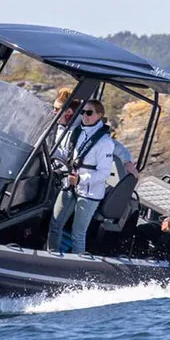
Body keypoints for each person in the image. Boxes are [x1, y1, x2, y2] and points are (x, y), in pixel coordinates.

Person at [47, 99, 115, 254]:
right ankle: (52, 257)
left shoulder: (105, 142)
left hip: (89, 192)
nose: (85, 116)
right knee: (55, 224)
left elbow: (103, 173)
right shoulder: (76, 132)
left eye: (89, 112)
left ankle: (75, 269)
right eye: (83, 112)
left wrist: (80, 180)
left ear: (99, 115)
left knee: (78, 234)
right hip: (69, 184)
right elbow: (65, 153)